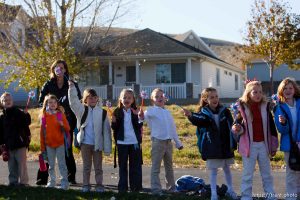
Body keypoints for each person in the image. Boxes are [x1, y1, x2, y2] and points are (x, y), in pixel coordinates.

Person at [182, 87, 238, 200]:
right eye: (211, 97)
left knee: (227, 168)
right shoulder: (203, 112)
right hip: (211, 146)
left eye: (216, 96)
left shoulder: (225, 111)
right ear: (205, 99)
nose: (215, 99)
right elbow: (200, 120)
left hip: (225, 145)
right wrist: (190, 115)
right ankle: (213, 194)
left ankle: (230, 190)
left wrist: (236, 127)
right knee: (213, 171)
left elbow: (232, 125)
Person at [232, 81, 278, 200]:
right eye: (255, 92)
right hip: (249, 146)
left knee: (267, 174)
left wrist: (273, 144)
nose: (258, 94)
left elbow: (271, 126)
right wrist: (237, 128)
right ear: (248, 93)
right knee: (247, 174)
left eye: (260, 92)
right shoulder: (241, 107)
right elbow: (237, 124)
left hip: (263, 145)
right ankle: (246, 196)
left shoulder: (266, 106)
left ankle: (270, 195)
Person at [38, 59, 81, 185]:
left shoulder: (72, 84)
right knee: (47, 148)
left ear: (65, 70)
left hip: (67, 121)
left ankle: (70, 177)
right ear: (53, 70)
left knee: (67, 148)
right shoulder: (48, 84)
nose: (59, 70)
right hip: (50, 122)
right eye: (57, 68)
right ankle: (43, 178)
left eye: (62, 68)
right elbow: (41, 101)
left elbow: (78, 100)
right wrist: (54, 108)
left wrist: (65, 110)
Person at [68, 81, 112, 193]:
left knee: (98, 168)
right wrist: (72, 88)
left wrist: (107, 148)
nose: (92, 99)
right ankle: (86, 185)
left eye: (94, 97)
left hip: (97, 145)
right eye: (89, 97)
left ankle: (99, 185)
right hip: (85, 144)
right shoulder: (81, 110)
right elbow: (73, 102)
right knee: (86, 167)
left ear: (97, 98)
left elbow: (107, 131)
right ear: (85, 99)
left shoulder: (102, 113)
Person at [139, 88, 183, 195]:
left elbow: (172, 129)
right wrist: (140, 116)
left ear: (165, 98)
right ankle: (156, 190)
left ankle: (171, 188)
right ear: (152, 100)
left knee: (169, 167)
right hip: (158, 142)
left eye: (161, 96)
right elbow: (142, 118)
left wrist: (178, 143)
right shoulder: (150, 110)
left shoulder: (167, 113)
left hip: (168, 143)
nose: (159, 98)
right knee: (156, 167)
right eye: (156, 97)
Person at [273, 77, 300, 200]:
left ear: (295, 90)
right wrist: (283, 123)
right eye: (285, 88)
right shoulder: (280, 107)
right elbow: (281, 130)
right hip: (289, 145)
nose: (288, 90)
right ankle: (291, 196)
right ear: (281, 91)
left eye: (290, 88)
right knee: (291, 172)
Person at [111, 89, 143, 193]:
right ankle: (122, 188)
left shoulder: (136, 110)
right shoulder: (117, 111)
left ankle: (136, 188)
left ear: (133, 100)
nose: (126, 99)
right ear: (120, 99)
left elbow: (139, 126)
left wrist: (139, 118)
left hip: (134, 143)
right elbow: (114, 128)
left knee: (135, 166)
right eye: (124, 97)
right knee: (122, 166)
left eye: (129, 98)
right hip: (122, 143)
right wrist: (114, 122)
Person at [0, 92, 31, 186]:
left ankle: (24, 182)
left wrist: (26, 115)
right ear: (1, 103)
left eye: (9, 100)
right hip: (9, 145)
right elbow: (1, 132)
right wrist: (1, 143)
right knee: (11, 165)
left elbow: (27, 123)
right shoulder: (1, 116)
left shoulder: (18, 112)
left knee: (21, 164)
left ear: (12, 101)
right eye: (5, 100)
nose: (7, 101)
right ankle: (13, 182)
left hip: (20, 143)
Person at [40, 94, 70, 190]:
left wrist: (62, 125)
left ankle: (64, 183)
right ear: (46, 104)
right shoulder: (44, 116)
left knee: (62, 164)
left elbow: (68, 128)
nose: (52, 104)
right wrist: (42, 146)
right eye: (50, 102)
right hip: (49, 144)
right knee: (51, 165)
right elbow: (42, 132)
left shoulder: (60, 114)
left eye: (54, 102)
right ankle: (52, 182)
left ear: (57, 104)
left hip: (60, 143)